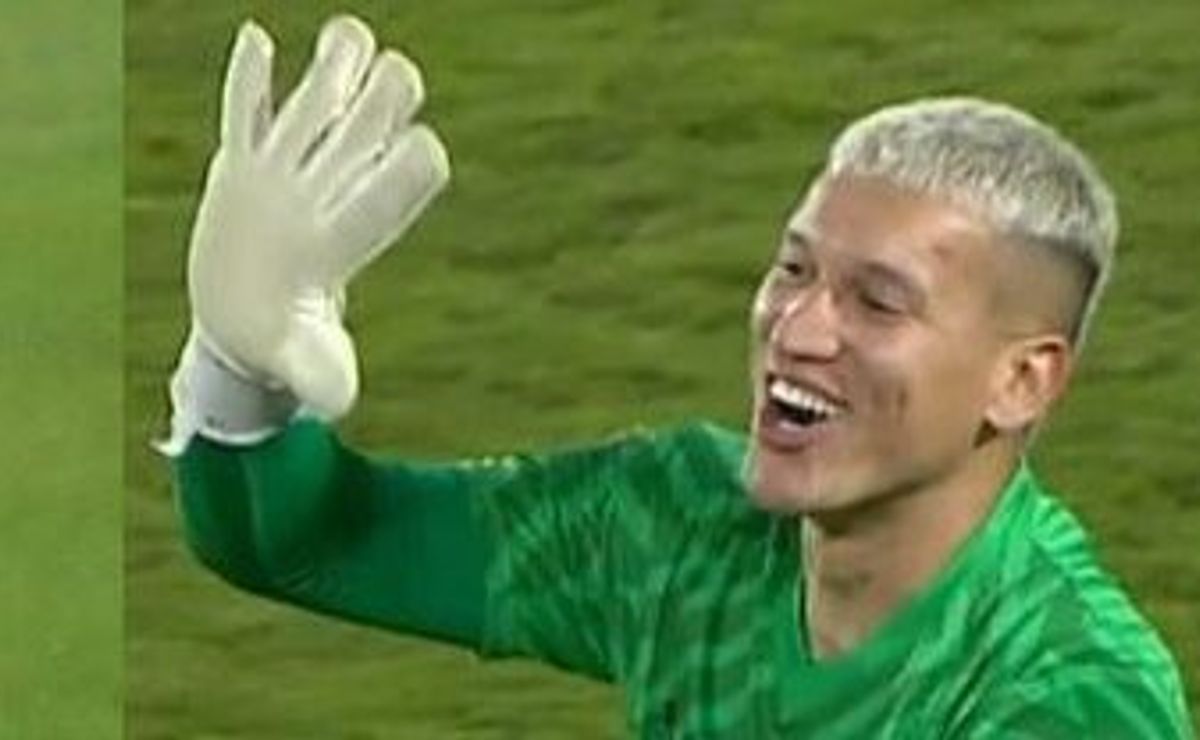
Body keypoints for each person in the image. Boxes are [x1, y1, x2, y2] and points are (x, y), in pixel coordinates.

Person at [161, 14, 1194, 738]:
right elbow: (307, 543)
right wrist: (243, 363)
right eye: (794, 270)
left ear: (1023, 381)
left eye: (879, 302)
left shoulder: (1073, 696)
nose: (799, 328)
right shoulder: (680, 530)